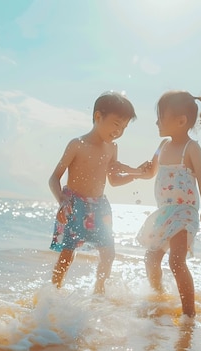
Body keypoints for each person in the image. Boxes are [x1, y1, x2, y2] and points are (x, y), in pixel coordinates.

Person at [48, 91, 145, 295]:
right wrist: (62, 201)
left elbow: (114, 180)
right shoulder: (77, 144)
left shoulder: (112, 148)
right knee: (67, 255)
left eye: (124, 127)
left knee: (108, 254)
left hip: (100, 205)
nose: (119, 131)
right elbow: (54, 178)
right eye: (116, 124)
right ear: (98, 117)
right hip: (75, 204)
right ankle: (53, 294)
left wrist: (136, 174)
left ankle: (98, 294)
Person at [137, 90, 201, 318]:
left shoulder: (191, 148)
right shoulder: (162, 145)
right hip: (164, 213)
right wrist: (131, 172)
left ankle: (189, 314)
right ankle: (158, 297)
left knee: (176, 261)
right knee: (151, 258)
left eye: (161, 116)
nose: (157, 121)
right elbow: (150, 171)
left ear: (181, 121)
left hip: (184, 212)